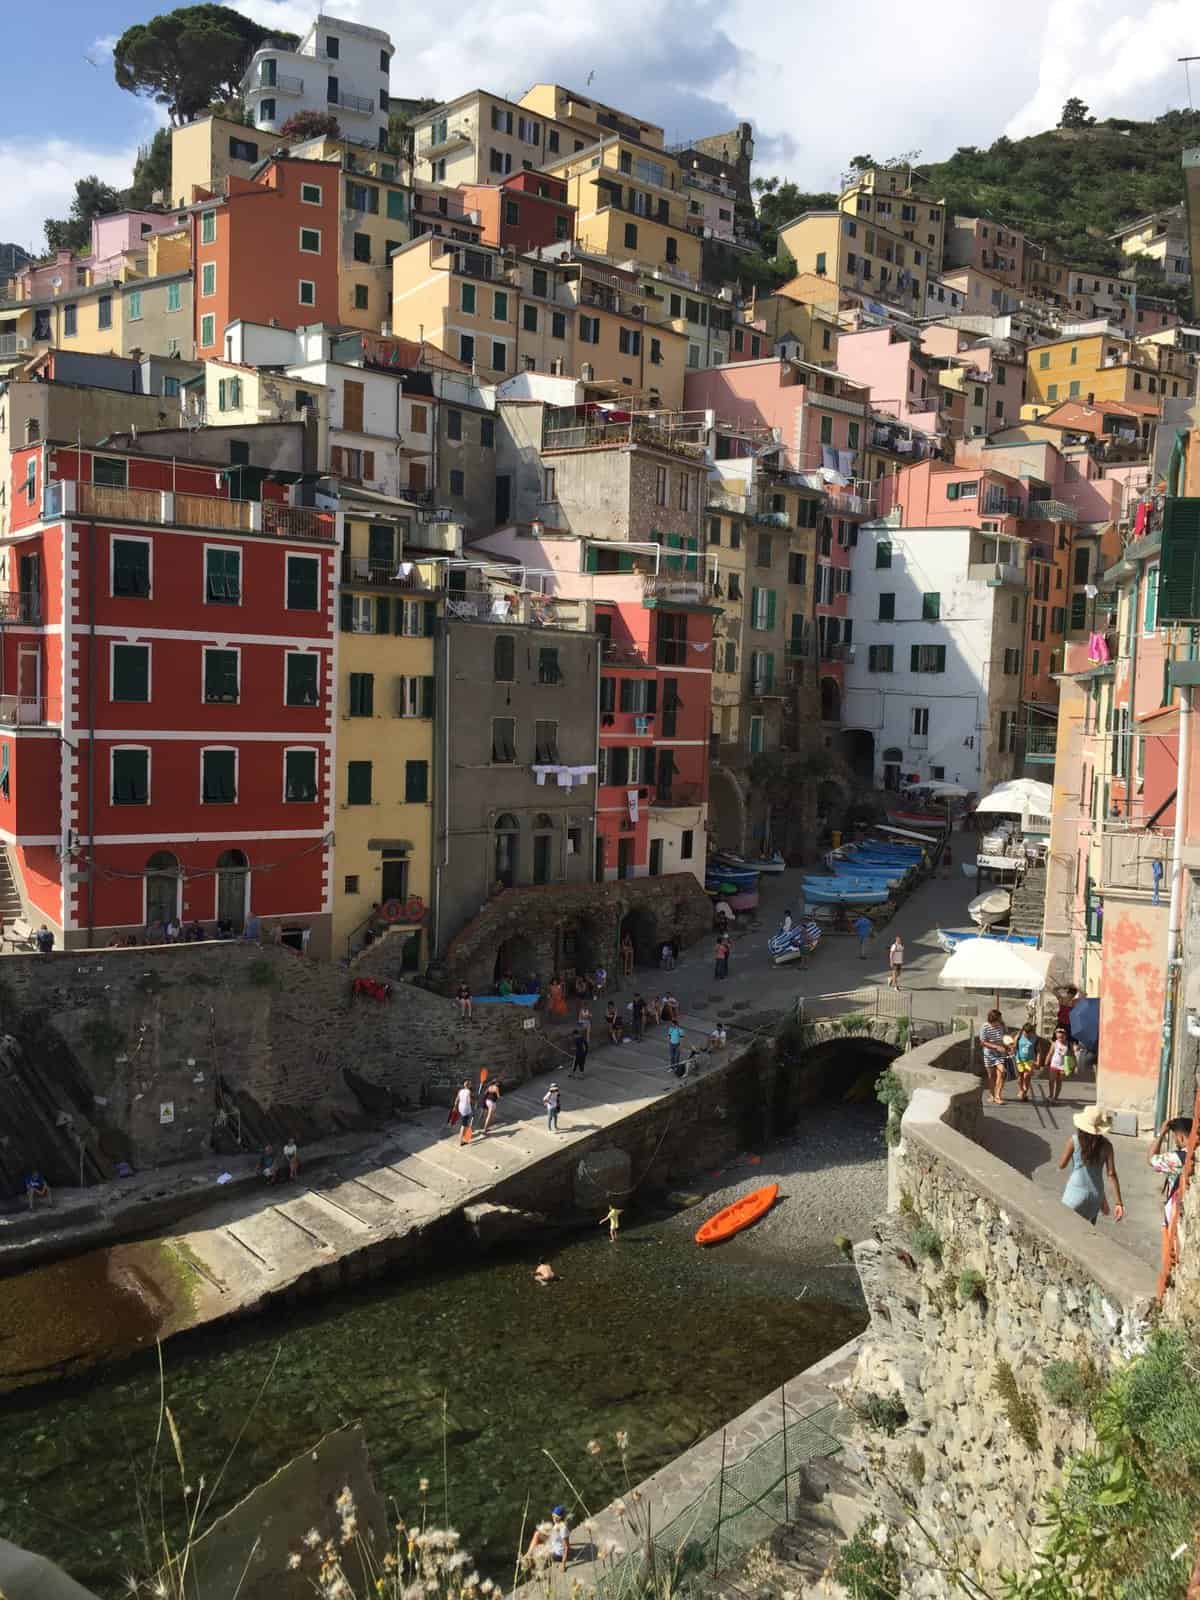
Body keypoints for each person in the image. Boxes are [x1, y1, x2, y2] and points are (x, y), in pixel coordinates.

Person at [1059, 1105, 1124, 1225]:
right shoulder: (1107, 1146)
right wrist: (1119, 1202)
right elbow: (1111, 1174)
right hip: (1096, 1196)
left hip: (1075, 1192)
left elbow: (1061, 1165)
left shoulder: (1074, 1140)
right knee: (1087, 1232)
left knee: (1066, 1227)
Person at [1149, 1116, 1193, 1277]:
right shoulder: (1194, 1153)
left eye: (1176, 1138)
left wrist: (1161, 1134)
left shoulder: (1179, 1158)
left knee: (1170, 1261)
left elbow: (1151, 1159)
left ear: (1181, 1136)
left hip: (1173, 1215)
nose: (1176, 1142)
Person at [980, 1009, 1009, 1106]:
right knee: (991, 1076)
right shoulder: (985, 1027)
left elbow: (1006, 1037)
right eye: (999, 1018)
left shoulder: (1002, 1025)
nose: (1001, 1019)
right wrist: (996, 1046)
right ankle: (992, 1094)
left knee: (1002, 1073)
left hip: (1000, 1055)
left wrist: (1008, 1045)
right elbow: (983, 1042)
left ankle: (998, 1096)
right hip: (989, 1055)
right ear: (994, 1019)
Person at [1044, 1026, 1073, 1104]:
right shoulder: (1055, 1043)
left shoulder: (1069, 1045)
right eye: (1058, 1035)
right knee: (1051, 1081)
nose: (1060, 1037)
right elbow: (1050, 1053)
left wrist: (1073, 1066)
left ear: (1066, 1036)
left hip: (1063, 1066)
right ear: (1056, 1035)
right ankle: (1051, 1095)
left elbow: (1072, 1055)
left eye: (1062, 1036)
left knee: (1059, 1082)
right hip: (1054, 1065)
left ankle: (1056, 1097)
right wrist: (1046, 1062)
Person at [1014, 1022, 1041, 1102]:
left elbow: (1039, 1051)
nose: (1027, 1035)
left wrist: (1038, 1061)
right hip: (1019, 1060)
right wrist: (1012, 1048)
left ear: (1032, 1032)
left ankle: (1024, 1091)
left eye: (1029, 1033)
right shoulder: (1019, 1036)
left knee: (1027, 1076)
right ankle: (1022, 1090)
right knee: (1020, 1077)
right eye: (1026, 1033)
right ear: (1023, 1031)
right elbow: (1014, 1047)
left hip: (1030, 1060)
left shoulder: (1035, 1038)